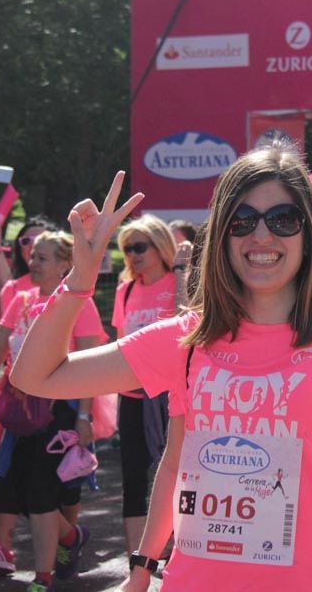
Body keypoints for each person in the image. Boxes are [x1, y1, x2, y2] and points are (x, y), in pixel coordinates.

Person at [11, 144, 312, 591]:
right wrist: (80, 278)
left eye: (282, 219)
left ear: (309, 233)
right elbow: (36, 376)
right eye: (242, 221)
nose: (261, 236)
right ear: (221, 234)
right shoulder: (188, 340)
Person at [0, 231, 110, 592]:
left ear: (64, 265)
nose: (32, 262)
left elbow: (89, 363)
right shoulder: (20, 300)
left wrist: (84, 416)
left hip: (58, 411)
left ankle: (43, 577)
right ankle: (70, 538)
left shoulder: (78, 303)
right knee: (15, 488)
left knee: (40, 493)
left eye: (42, 257)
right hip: (19, 408)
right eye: (32, 256)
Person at [111, 214, 185, 561]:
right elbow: (120, 343)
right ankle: (136, 561)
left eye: (140, 247)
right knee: (133, 477)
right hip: (131, 397)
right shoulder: (124, 290)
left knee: (172, 472)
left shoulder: (177, 282)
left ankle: (174, 546)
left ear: (160, 246)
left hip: (169, 397)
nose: (133, 255)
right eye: (127, 249)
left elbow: (189, 329)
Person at [0, 215, 57, 317]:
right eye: (26, 241)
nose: (33, 246)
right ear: (20, 249)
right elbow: (2, 331)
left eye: (40, 240)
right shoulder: (12, 289)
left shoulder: (70, 287)